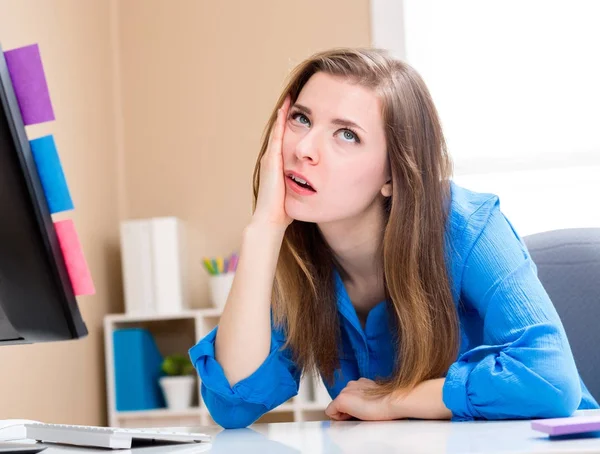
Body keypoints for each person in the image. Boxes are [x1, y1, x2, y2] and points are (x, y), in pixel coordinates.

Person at [188, 48, 599, 429]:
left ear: (392, 174)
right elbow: (233, 404)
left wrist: (395, 399)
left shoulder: (468, 227)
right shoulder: (298, 258)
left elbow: (548, 379)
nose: (305, 149)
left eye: (347, 134)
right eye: (301, 119)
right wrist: (264, 230)